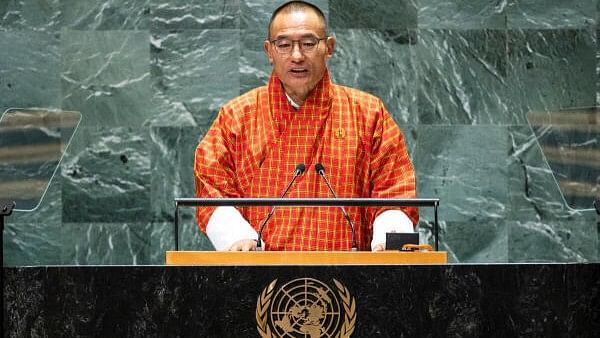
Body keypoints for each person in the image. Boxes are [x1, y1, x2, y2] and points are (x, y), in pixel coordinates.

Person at [194, 0, 418, 251]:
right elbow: (212, 188)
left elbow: (394, 191)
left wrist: (390, 244)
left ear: (329, 47)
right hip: (258, 278)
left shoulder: (369, 114)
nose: (297, 56)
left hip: (351, 279)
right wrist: (235, 236)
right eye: (284, 45)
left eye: (309, 43)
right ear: (269, 51)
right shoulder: (236, 117)